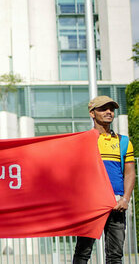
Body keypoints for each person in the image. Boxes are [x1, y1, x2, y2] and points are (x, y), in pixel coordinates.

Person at [73, 95, 136, 264]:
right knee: (82, 254)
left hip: (116, 204)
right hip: (89, 204)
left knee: (115, 256)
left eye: (111, 109)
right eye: (103, 109)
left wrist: (125, 199)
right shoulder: (82, 140)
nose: (109, 112)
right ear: (92, 113)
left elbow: (130, 173)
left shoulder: (124, 142)